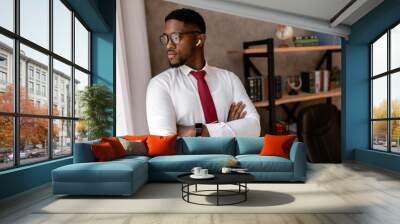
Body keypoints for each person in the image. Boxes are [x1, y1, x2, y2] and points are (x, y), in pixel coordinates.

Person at [146, 8, 260, 137]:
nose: (168, 45)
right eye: (165, 38)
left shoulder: (230, 79)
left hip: (229, 157)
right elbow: (164, 142)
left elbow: (254, 127)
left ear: (199, 40)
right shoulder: (159, 85)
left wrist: (196, 131)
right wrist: (229, 129)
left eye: (176, 37)